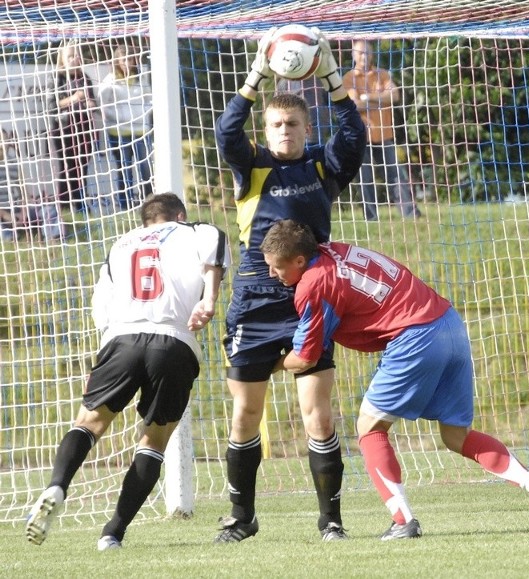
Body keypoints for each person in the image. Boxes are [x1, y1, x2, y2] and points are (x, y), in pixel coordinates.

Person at [261, 219, 529, 539]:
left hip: (415, 336)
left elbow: (306, 357)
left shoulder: (313, 282)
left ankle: (403, 521)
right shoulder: (337, 251)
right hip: (450, 325)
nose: (273, 274)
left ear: (300, 261)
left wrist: (268, 364)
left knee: (370, 429)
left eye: (277, 267)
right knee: (456, 436)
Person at [213, 27, 366, 543]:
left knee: (317, 416)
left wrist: (329, 75)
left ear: (305, 126)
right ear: (268, 126)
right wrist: (257, 70)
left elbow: (354, 133)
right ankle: (241, 518)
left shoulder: (323, 162)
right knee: (245, 414)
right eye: (276, 124)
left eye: (292, 123)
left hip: (311, 296)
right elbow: (227, 131)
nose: (284, 131)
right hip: (255, 297)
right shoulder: (250, 162)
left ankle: (331, 521)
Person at [24, 192, 230, 550]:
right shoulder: (196, 231)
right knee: (154, 440)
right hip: (175, 341)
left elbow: (100, 305)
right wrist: (209, 299)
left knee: (88, 423)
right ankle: (113, 533)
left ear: (146, 222)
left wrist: (110, 352)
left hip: (120, 339)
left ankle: (57, 483)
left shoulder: (122, 244)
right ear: (179, 216)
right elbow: (215, 243)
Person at [342, 40, 421, 221]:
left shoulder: (382, 74)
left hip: (384, 134)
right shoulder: (348, 78)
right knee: (366, 178)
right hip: (361, 137)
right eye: (361, 53)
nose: (364, 56)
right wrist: (379, 101)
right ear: (353, 55)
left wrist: (368, 97)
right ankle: (371, 217)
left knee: (396, 176)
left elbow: (394, 96)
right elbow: (354, 105)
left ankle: (409, 213)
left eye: (368, 52)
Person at [99, 43, 154, 211]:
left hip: (141, 131)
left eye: (130, 59)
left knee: (145, 168)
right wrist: (119, 117)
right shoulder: (109, 81)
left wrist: (142, 114)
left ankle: (150, 203)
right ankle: (125, 205)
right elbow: (103, 106)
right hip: (119, 132)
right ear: (117, 61)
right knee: (124, 169)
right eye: (123, 60)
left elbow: (149, 100)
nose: (127, 63)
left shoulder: (141, 78)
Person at [47, 41, 98, 214]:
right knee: (68, 166)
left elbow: (91, 99)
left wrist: (90, 103)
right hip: (64, 129)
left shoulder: (84, 77)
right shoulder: (56, 77)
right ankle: (64, 205)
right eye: (70, 56)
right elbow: (51, 106)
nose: (74, 58)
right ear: (62, 58)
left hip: (84, 127)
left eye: (76, 55)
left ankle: (80, 204)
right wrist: (74, 98)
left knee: (82, 166)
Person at [276, 77, 331, 146]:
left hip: (319, 134)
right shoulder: (285, 82)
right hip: (295, 138)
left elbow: (331, 103)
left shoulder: (320, 79)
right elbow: (277, 110)